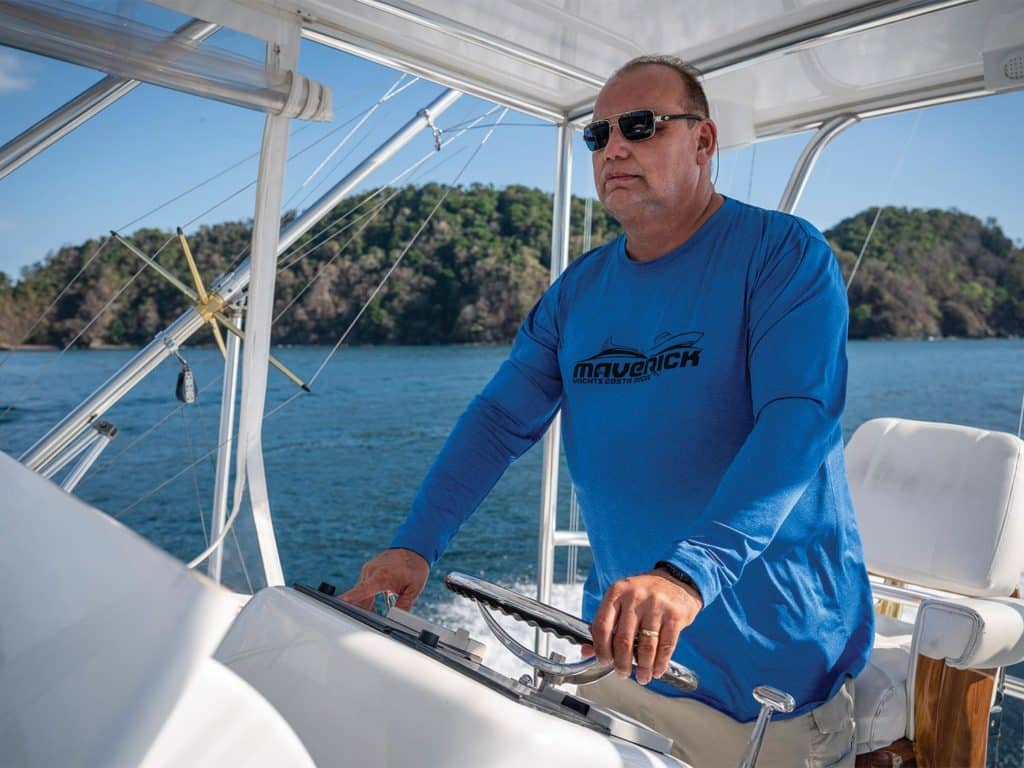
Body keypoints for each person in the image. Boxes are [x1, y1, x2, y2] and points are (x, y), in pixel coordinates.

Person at [342, 54, 874, 768]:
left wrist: (685, 576)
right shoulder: (577, 293)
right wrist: (416, 544)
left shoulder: (782, 257)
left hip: (771, 685)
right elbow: (499, 422)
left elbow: (796, 420)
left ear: (703, 142)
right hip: (623, 657)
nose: (614, 147)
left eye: (641, 126)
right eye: (598, 136)